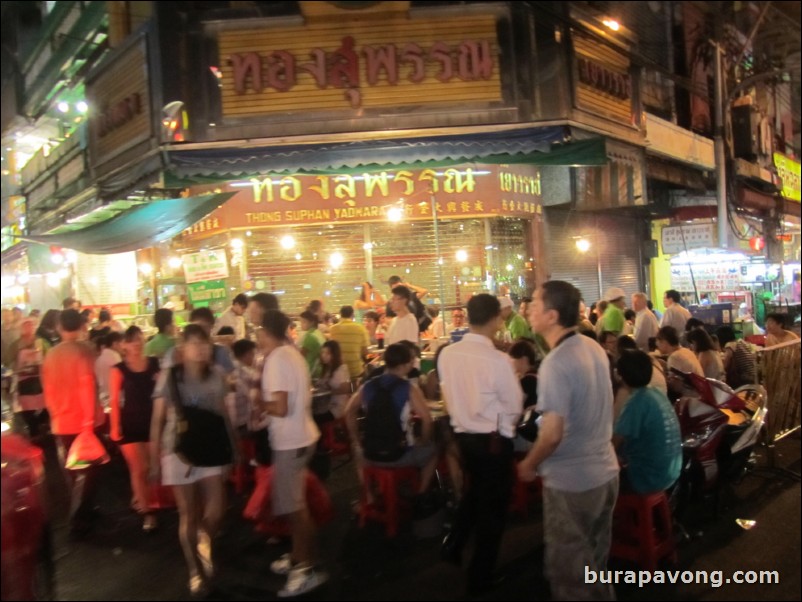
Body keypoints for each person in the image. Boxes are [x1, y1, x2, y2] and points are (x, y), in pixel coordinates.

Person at [518, 281, 619, 601]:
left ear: (551, 315)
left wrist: (528, 464)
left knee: (571, 579)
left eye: (534, 303)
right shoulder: (593, 348)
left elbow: (551, 435)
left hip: (573, 484)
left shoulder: (555, 363)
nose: (528, 310)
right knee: (595, 568)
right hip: (605, 474)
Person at [438, 294, 524, 595]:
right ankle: (480, 577)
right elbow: (514, 406)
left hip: (464, 439)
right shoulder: (498, 360)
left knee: (476, 491)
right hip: (493, 441)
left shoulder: (447, 354)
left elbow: (447, 395)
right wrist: (503, 427)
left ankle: (455, 542)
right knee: (493, 511)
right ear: (497, 320)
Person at [150, 324, 235, 597]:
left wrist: (234, 447)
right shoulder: (170, 377)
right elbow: (157, 420)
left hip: (211, 447)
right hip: (179, 451)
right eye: (193, 343)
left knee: (218, 508)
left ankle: (204, 538)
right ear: (182, 348)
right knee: (188, 513)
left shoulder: (217, 375)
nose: (200, 347)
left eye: (204, 342)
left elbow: (223, 415)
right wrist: (153, 460)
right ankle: (194, 571)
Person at [257, 310, 326, 597]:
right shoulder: (292, 353)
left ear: (264, 331)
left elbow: (280, 407)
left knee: (295, 509)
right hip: (302, 436)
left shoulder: (276, 360)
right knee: (293, 505)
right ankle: (298, 558)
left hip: (291, 441)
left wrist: (258, 402)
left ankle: (307, 568)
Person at [42, 309, 106, 537]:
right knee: (90, 470)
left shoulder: (50, 355)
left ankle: (85, 510)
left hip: (61, 421)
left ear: (59, 328)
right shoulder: (83, 351)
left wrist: (54, 413)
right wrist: (89, 422)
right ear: (81, 326)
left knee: (73, 470)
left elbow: (47, 389)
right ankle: (79, 517)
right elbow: (87, 386)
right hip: (85, 422)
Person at [345, 343, 438, 495]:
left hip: (370, 453)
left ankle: (369, 497)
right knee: (433, 451)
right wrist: (424, 440)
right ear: (406, 364)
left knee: (358, 454)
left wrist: (356, 440)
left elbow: (349, 412)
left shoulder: (367, 386)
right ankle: (420, 495)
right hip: (399, 454)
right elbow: (427, 419)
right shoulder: (408, 388)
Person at [109, 326, 161, 532]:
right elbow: (113, 400)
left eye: (139, 339)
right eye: (131, 341)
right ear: (123, 345)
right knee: (139, 469)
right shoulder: (118, 369)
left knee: (150, 468)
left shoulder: (155, 364)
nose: (136, 344)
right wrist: (114, 427)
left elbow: (165, 390)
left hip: (152, 422)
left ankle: (140, 497)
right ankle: (147, 513)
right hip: (129, 423)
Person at [613, 351, 682, 494]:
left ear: (621, 375)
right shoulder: (655, 394)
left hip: (648, 478)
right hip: (671, 472)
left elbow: (614, 444)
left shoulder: (636, 402)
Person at [8, 318, 48, 438]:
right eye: (26, 326)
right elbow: (8, 361)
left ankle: (41, 428)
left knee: (46, 407)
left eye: (31, 325)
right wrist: (18, 368)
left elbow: (49, 356)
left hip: (40, 380)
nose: (29, 328)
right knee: (27, 410)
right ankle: (34, 432)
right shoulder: (15, 345)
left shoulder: (41, 342)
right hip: (24, 381)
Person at [655, 326, 704, 395]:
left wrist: (661, 373)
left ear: (665, 342)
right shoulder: (686, 351)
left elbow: (675, 387)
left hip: (690, 399)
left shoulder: (674, 357)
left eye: (658, 341)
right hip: (700, 394)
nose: (657, 344)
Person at [329, 305, 369, 383]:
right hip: (356, 371)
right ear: (352, 315)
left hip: (339, 371)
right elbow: (365, 352)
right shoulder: (360, 328)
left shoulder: (333, 329)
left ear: (340, 315)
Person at [315, 340, 351, 420]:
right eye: (322, 353)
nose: (324, 356)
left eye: (327, 353)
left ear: (334, 354)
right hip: (325, 405)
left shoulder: (341, 369)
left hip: (336, 408)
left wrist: (327, 392)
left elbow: (346, 388)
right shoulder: (327, 369)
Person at [95, 331, 124, 407]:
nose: (123, 346)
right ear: (115, 344)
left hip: (103, 400)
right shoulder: (115, 357)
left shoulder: (98, 359)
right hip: (117, 399)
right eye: (122, 343)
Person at [299, 310, 326, 379]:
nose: (301, 324)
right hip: (321, 369)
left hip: (312, 371)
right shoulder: (317, 332)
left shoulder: (309, 336)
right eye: (301, 322)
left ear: (312, 322)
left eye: (304, 322)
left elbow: (301, 356)